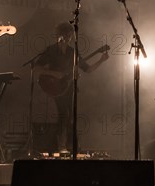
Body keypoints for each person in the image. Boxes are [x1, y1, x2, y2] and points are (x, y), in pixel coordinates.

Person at [33, 22, 109, 152]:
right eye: (65, 35)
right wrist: (54, 73)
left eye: (69, 36)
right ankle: (61, 145)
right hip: (55, 88)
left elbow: (88, 69)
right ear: (59, 35)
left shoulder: (72, 52)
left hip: (68, 87)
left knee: (70, 115)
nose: (67, 38)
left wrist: (101, 60)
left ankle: (71, 146)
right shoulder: (51, 50)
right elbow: (36, 68)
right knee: (64, 115)